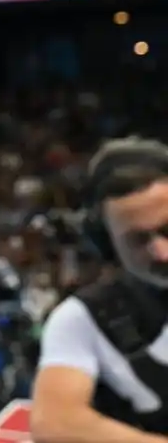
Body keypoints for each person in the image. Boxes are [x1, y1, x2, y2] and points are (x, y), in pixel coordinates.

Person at [31, 137, 168, 443]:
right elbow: (55, 424)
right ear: (106, 244)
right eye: (137, 240)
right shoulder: (82, 318)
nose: (162, 253)